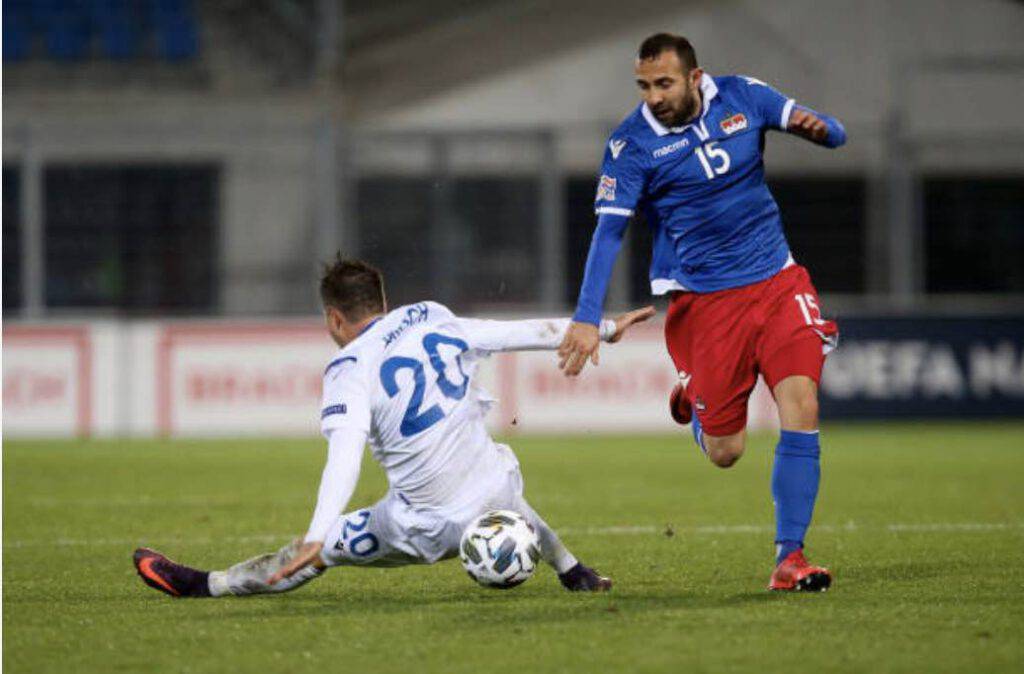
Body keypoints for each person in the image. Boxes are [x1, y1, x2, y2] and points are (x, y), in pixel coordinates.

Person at [134, 257, 654, 598]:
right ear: (383, 302)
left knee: (318, 551)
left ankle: (206, 585)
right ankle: (572, 570)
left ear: (335, 319)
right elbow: (512, 332)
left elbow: (345, 454)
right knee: (493, 480)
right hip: (496, 493)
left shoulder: (347, 369)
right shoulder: (430, 315)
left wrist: (318, 533)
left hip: (424, 528)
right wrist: (602, 328)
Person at [557, 33, 845, 591]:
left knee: (802, 402)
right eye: (643, 86)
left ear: (694, 77)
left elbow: (835, 132)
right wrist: (587, 316)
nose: (653, 96)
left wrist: (822, 130)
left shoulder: (743, 96)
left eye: (663, 83)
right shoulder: (631, 145)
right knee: (725, 451)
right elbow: (609, 231)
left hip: (778, 281)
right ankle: (694, 395)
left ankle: (790, 559)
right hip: (707, 304)